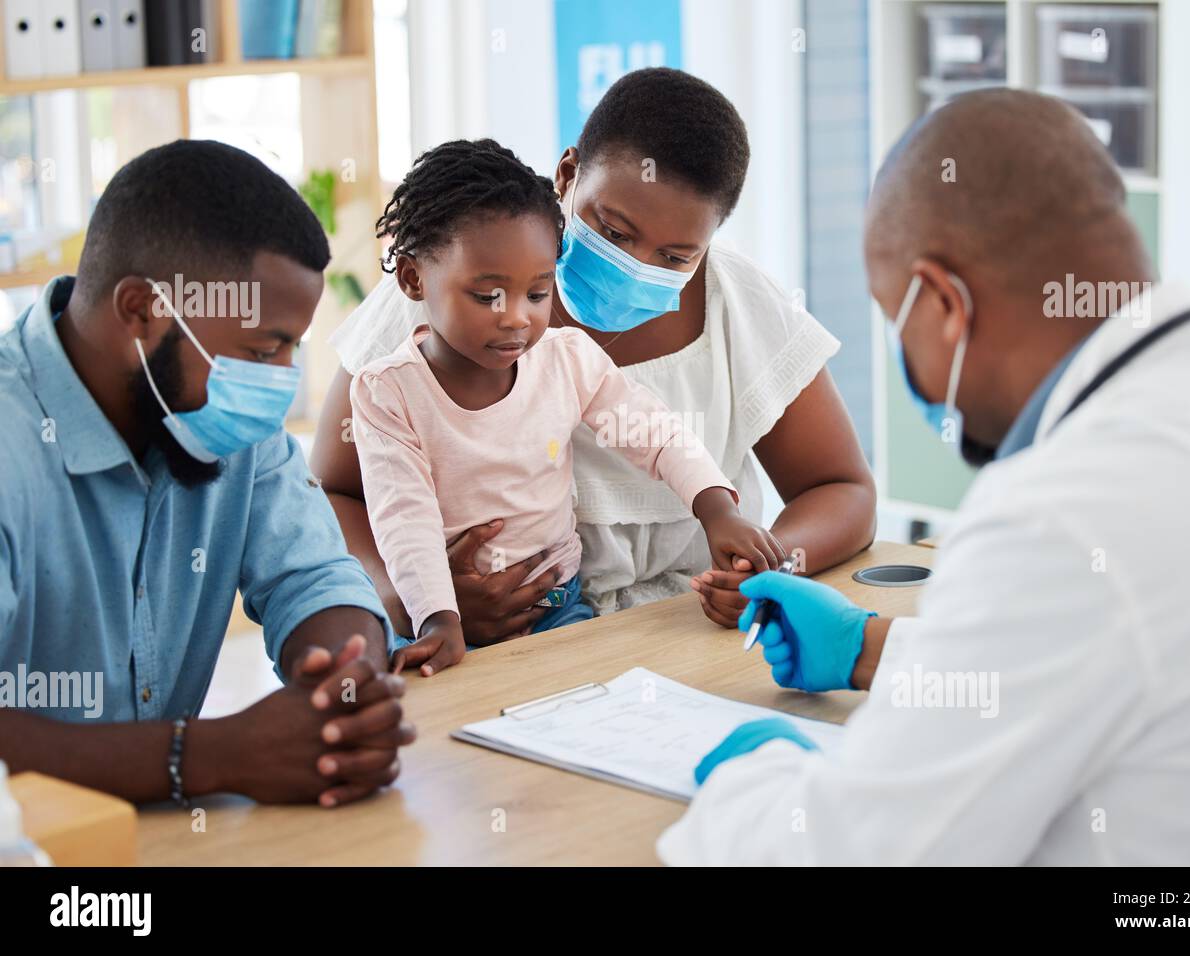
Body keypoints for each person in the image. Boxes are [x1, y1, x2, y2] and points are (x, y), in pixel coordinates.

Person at [658, 89, 1190, 865]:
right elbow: (1100, 653)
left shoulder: (1062, 511)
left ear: (943, 304)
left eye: (899, 320)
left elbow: (856, 853)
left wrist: (749, 777)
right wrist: (873, 645)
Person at [312, 67, 877, 642]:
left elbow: (841, 489)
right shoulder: (443, 286)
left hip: (683, 625)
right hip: (481, 631)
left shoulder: (735, 301)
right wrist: (415, 600)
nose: (635, 268)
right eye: (613, 231)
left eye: (676, 257)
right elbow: (334, 490)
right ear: (568, 175)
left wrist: (768, 568)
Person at [0, 140, 415, 808]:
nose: (280, 380)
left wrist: (348, 685)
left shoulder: (216, 413)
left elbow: (314, 579)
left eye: (292, 347)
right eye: (262, 348)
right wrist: (208, 756)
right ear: (140, 311)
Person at [351, 139, 782, 673]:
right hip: (438, 617)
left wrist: (717, 509)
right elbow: (404, 517)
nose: (516, 318)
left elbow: (657, 434)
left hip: (556, 604)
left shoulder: (566, 359)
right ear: (414, 278)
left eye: (537, 293)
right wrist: (437, 618)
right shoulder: (388, 391)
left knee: (580, 707)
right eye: (488, 296)